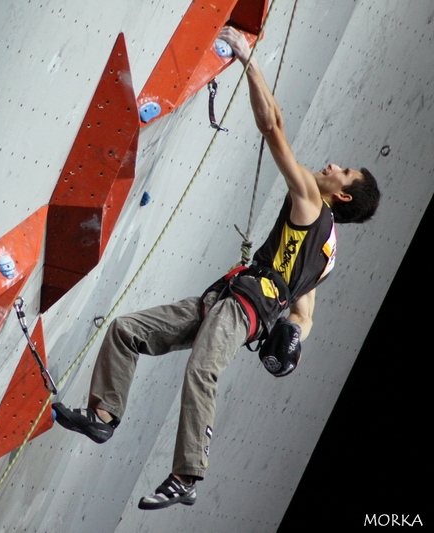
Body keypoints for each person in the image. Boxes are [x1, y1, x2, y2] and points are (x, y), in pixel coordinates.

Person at [51, 26, 380, 510]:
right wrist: (293, 339)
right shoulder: (328, 252)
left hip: (242, 308)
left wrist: (247, 60)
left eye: (343, 171)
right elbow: (304, 313)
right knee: (126, 331)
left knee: (202, 368)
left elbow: (273, 128)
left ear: (342, 194)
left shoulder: (312, 200)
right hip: (226, 302)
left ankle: (187, 475)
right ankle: (104, 414)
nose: (332, 164)